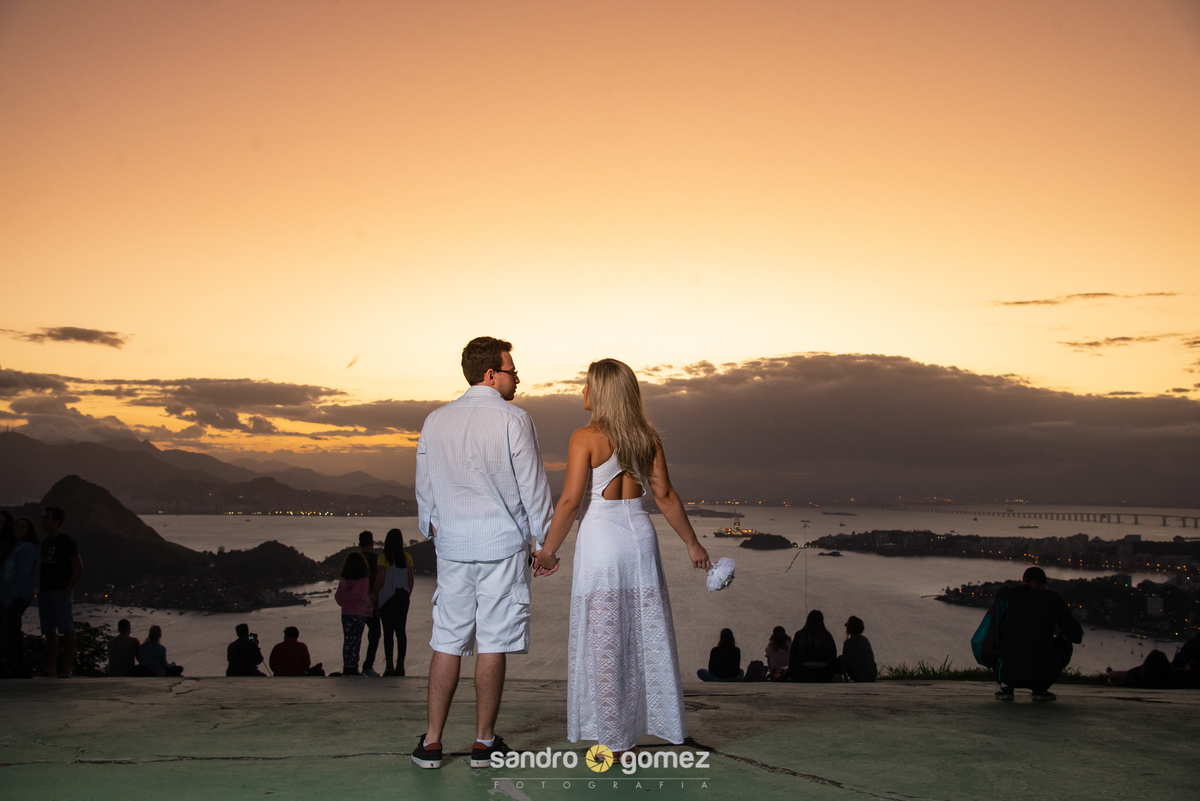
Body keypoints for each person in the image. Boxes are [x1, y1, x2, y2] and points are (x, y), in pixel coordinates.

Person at [534, 358, 712, 753]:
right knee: (642, 636)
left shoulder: (585, 437)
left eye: (587, 385)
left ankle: (613, 740)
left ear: (601, 392)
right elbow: (664, 496)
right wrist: (692, 543)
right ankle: (643, 730)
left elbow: (568, 502)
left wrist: (548, 551)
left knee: (606, 641)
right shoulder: (647, 436)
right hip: (640, 540)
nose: (582, 391)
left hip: (601, 540)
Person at [412, 336, 554, 770]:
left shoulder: (435, 420)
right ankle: (483, 743)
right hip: (502, 547)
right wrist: (544, 543)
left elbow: (425, 487)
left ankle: (431, 743)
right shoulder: (514, 419)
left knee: (447, 641)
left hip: (453, 547)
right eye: (512, 371)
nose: (517, 380)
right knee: (493, 642)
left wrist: (434, 527)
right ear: (491, 374)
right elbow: (533, 486)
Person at [994, 566, 1083, 702]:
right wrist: (1056, 630)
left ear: (1023, 583)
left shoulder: (1008, 595)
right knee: (1064, 645)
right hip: (1040, 673)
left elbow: (993, 628)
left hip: (1008, 672)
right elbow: (1076, 635)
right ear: (1043, 584)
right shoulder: (1053, 598)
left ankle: (1006, 687)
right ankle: (1040, 689)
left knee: (995, 639)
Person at [38, 506, 83, 678]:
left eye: (47, 518)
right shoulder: (46, 542)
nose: (43, 521)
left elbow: (78, 568)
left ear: (56, 522)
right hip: (45, 593)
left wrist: (66, 592)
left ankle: (68, 667)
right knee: (49, 631)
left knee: (67, 630)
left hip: (59, 592)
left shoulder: (67, 542)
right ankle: (51, 667)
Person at [2, 517, 39, 678]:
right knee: (13, 630)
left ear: (29, 530)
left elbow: (22, 574)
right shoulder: (17, 546)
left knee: (8, 631)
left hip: (18, 596)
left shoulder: (28, 548)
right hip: (12, 595)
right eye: (16, 526)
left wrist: (9, 597)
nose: (18, 528)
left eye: (23, 526)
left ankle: (17, 668)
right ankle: (16, 668)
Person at [377, 528, 415, 676]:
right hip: (403, 596)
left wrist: (375, 595)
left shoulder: (383, 558)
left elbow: (380, 579)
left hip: (387, 598)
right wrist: (407, 595)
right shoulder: (407, 558)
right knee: (401, 631)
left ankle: (389, 666)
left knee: (388, 633)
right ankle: (401, 665)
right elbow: (411, 580)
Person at [335, 551, 372, 676]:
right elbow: (364, 596)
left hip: (346, 613)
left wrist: (346, 605)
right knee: (356, 640)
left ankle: (347, 666)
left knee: (348, 640)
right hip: (360, 613)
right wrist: (370, 607)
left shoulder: (343, 581)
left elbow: (338, 597)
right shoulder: (364, 580)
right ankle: (354, 667)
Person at [357, 531, 383, 677]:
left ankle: (351, 666)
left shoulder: (355, 559)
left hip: (356, 604)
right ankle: (368, 665)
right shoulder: (377, 559)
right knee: (375, 634)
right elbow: (379, 581)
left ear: (359, 544)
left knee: (356, 636)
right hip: (372, 603)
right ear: (372, 543)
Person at [787, 610, 838, 682]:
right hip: (824, 673)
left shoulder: (800, 635)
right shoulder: (827, 636)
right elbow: (833, 655)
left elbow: (794, 655)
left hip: (803, 673)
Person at [841, 616, 877, 682]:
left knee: (840, 660)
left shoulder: (848, 642)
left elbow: (845, 662)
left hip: (859, 676)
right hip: (872, 675)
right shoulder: (865, 640)